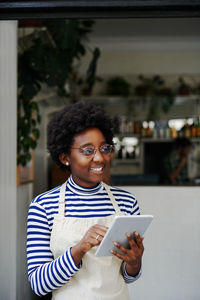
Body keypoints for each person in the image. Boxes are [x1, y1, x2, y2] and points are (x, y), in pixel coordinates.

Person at [27, 102, 144, 299]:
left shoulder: (126, 202)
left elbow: (128, 276)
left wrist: (134, 262)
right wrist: (79, 249)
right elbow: (39, 285)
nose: (100, 158)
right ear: (65, 157)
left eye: (104, 148)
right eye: (88, 150)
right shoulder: (43, 206)